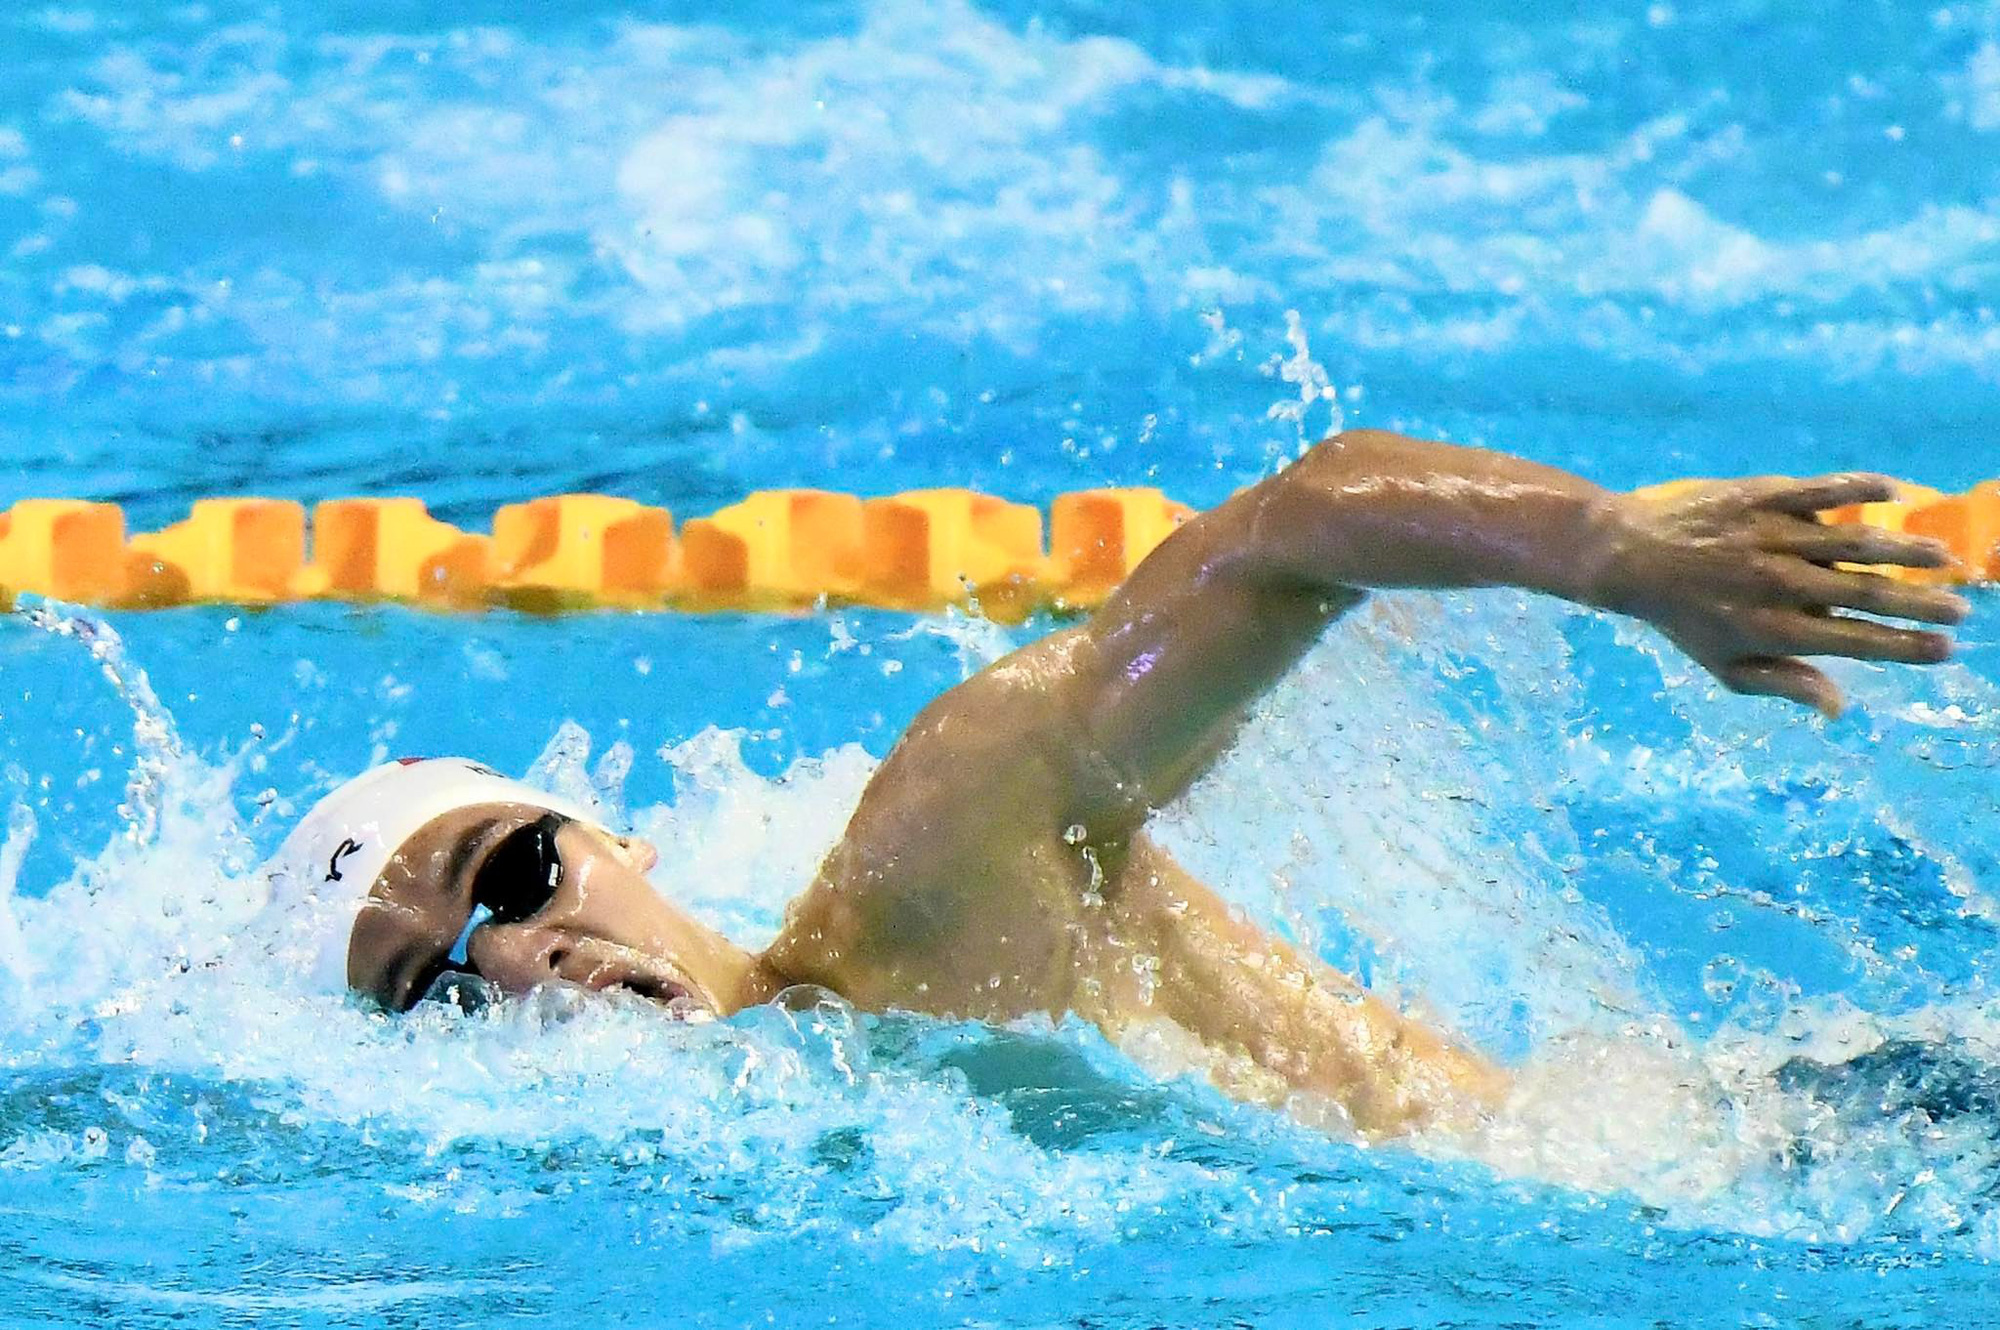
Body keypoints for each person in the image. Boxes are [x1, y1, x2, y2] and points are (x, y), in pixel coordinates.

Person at [260, 429, 1971, 1138]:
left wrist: (1606, 547)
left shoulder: (937, 857)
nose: (515, 963)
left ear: (614, 837)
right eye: (432, 997)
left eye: (507, 879)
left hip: (1766, 1156)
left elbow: (1296, 525)